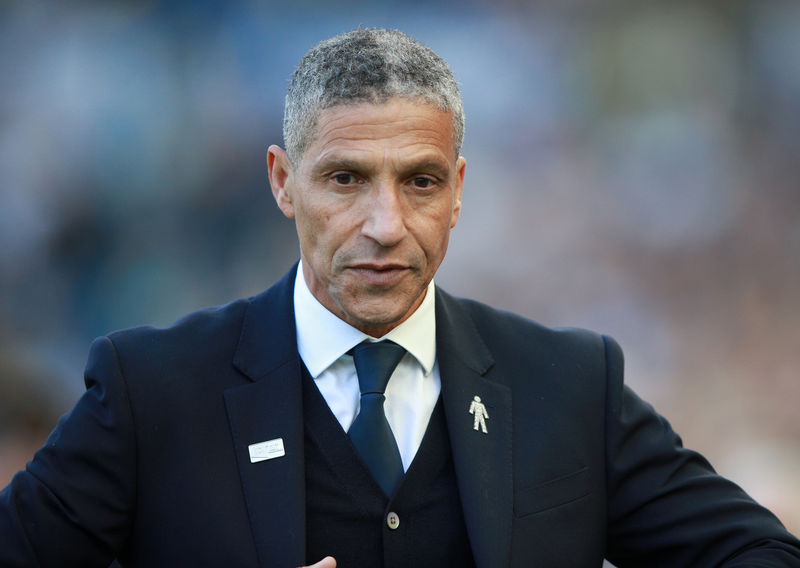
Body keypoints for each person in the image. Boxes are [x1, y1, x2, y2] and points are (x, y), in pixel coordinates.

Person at [1, 27, 799, 568]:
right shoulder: (154, 391)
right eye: (345, 179)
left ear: (457, 192)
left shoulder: (568, 385)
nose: (385, 225)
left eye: (418, 182)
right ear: (283, 182)